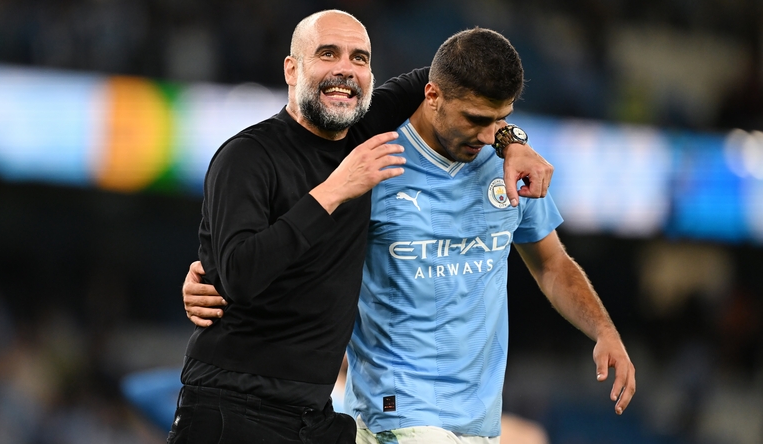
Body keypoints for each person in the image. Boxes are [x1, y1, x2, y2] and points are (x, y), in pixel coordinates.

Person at [183, 27, 635, 443]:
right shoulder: (365, 160)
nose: (487, 133)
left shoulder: (511, 164)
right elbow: (283, 235)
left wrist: (604, 331)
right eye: (476, 119)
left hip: (480, 420)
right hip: (394, 414)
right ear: (432, 97)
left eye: (500, 119)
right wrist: (214, 271)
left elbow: (553, 264)